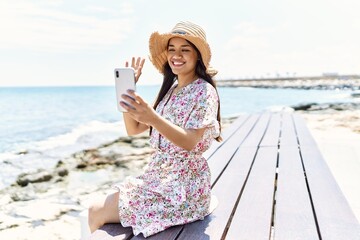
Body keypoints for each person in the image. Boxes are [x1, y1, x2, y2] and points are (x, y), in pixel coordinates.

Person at [88, 21, 222, 238]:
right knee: (98, 205)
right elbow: (134, 128)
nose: (176, 55)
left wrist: (153, 117)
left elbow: (191, 142)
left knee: (96, 210)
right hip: (160, 179)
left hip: (183, 189)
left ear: (198, 55)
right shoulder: (171, 91)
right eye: (172, 50)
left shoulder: (204, 91)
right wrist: (127, 90)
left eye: (185, 50)